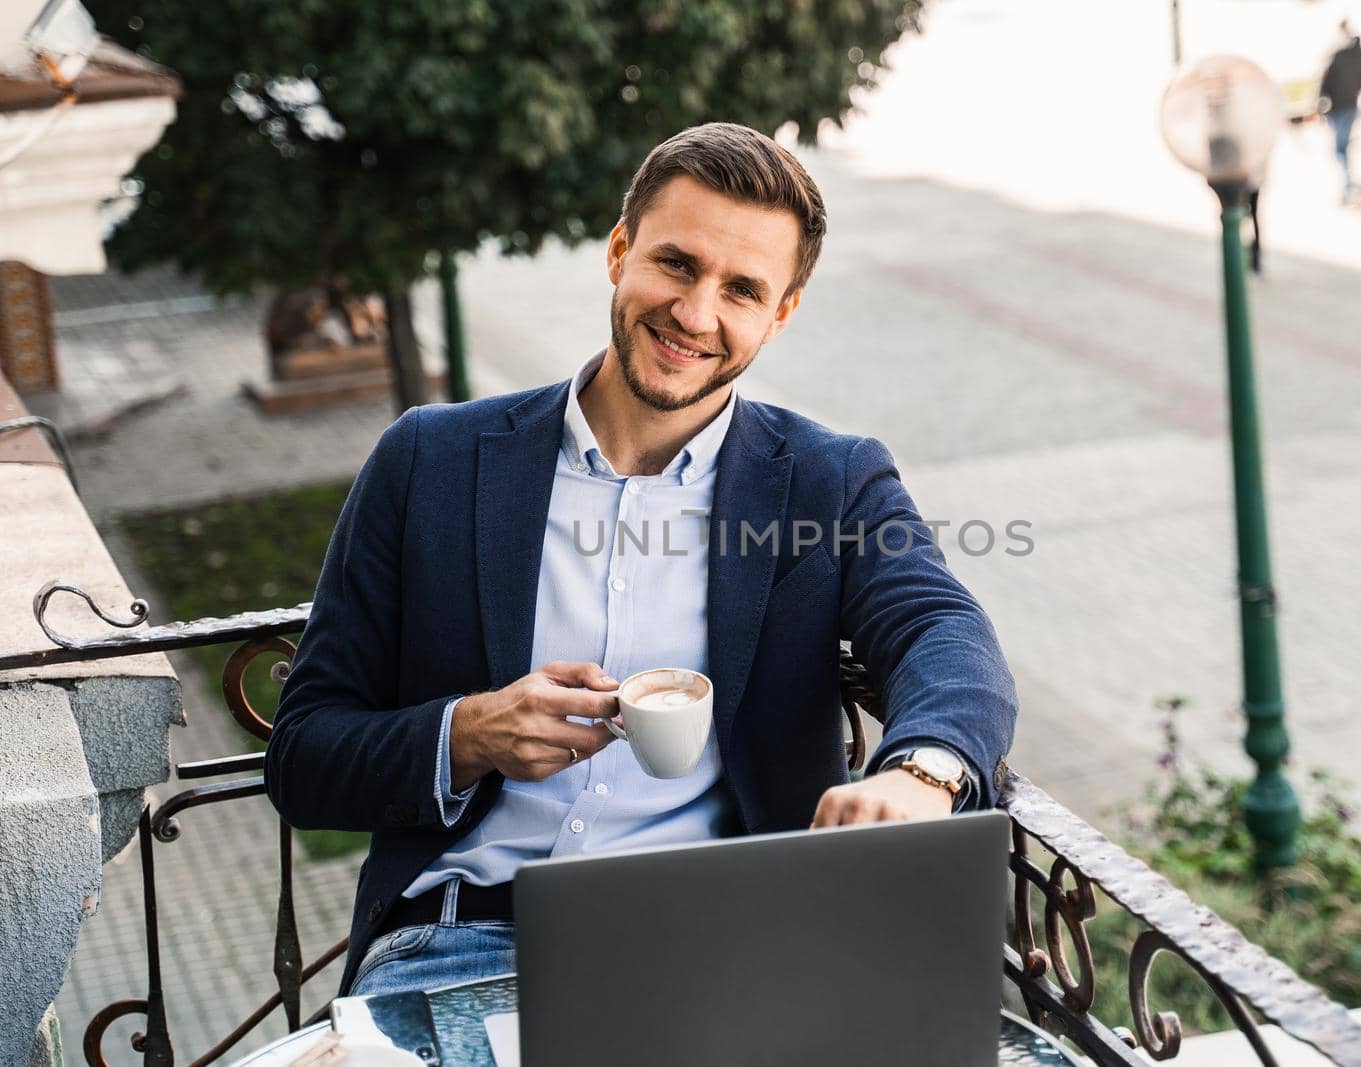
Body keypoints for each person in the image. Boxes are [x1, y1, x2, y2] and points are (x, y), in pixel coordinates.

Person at [263, 122, 1019, 999]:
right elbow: (306, 755)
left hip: (728, 947)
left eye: (742, 289)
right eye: (676, 264)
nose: (696, 315)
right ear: (619, 251)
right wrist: (467, 734)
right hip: (460, 945)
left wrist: (923, 772)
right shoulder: (429, 458)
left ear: (782, 314)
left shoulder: (830, 481)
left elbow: (944, 626)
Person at [1319, 19, 1361, 206]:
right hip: (1351, 106)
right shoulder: (1360, 53)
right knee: (1343, 149)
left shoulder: (1336, 52)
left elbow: (1324, 82)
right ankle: (1348, 187)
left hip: (1337, 108)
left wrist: (1321, 104)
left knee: (1339, 150)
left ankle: (1351, 185)